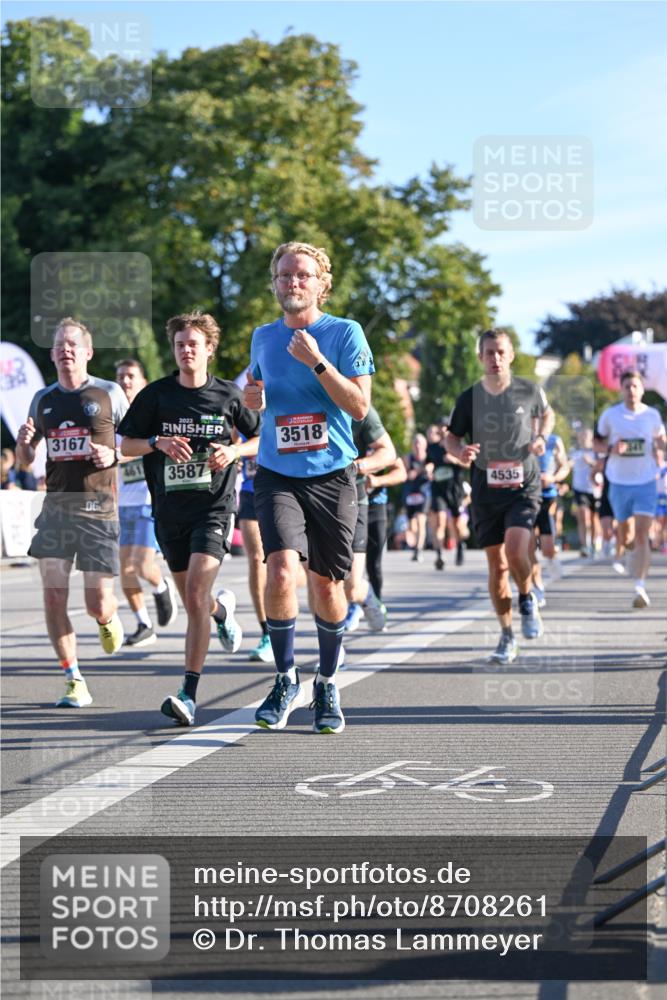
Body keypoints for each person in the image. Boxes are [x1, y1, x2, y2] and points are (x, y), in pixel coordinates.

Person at [244, 241, 374, 735]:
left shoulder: (344, 332)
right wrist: (252, 400)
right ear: (274, 283)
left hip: (332, 474)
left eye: (303, 275)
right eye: (285, 275)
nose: (293, 282)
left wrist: (318, 362)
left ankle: (327, 681)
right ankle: (284, 678)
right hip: (277, 472)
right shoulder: (262, 337)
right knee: (280, 570)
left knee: (325, 584)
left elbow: (359, 407)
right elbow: (260, 398)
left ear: (322, 284)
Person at [119, 311, 260, 725]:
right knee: (195, 601)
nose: (186, 351)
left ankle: (188, 694)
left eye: (193, 344)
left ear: (209, 349)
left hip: (214, 508)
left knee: (196, 591)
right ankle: (221, 612)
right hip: (169, 511)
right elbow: (126, 445)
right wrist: (157, 442)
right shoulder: (156, 396)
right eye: (180, 345)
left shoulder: (228, 395)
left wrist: (233, 451)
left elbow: (261, 438)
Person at [15, 318, 128, 708]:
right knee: (53, 597)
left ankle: (107, 618)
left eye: (73, 344)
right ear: (52, 354)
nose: (66, 350)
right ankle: (73, 678)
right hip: (57, 510)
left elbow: (137, 443)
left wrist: (114, 454)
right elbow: (26, 461)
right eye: (60, 345)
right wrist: (24, 446)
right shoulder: (42, 398)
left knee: (97, 603)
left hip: (99, 510)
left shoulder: (109, 392)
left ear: (88, 352)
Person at [445, 328, 554, 664]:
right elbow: (451, 438)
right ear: (481, 357)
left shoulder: (528, 390)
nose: (496, 358)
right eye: (489, 352)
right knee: (496, 566)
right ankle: (507, 636)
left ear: (511, 355)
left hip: (524, 487)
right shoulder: (469, 398)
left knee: (516, 549)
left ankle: (527, 597)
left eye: (501, 352)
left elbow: (547, 414)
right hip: (485, 491)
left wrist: (541, 438)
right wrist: (460, 452)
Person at [115, 358, 177, 647]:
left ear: (143, 382)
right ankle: (144, 623)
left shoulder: (153, 416)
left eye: (131, 376)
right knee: (125, 571)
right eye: (121, 377)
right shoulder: (112, 420)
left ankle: (161, 586)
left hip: (148, 500)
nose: (125, 381)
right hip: (122, 504)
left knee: (141, 565)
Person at [595, 369, 666, 608]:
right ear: (621, 390)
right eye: (627, 386)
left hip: (645, 482)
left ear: (643, 390)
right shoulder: (610, 415)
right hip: (618, 483)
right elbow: (596, 443)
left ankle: (640, 587)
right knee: (626, 536)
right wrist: (611, 449)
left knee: (643, 534)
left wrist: (660, 447)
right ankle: (627, 551)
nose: (631, 391)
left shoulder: (653, 415)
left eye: (635, 386)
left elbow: (660, 439)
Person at [342, 405, 396, 633]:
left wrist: (357, 467)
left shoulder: (358, 408)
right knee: (320, 580)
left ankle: (368, 596)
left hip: (357, 500)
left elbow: (390, 455)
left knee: (352, 587)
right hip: (314, 499)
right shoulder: (304, 398)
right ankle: (332, 647)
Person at [530, 431, 568, 606]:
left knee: (547, 549)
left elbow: (564, 467)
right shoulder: (519, 436)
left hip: (547, 497)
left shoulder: (554, 440)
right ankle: (538, 588)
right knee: (528, 549)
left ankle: (552, 558)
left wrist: (552, 478)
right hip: (525, 497)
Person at [425, 421, 468, 569]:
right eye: (440, 427)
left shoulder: (458, 446)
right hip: (438, 489)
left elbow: (469, 464)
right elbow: (428, 462)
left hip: (455, 489)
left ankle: (460, 546)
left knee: (456, 524)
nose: (443, 430)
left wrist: (454, 459)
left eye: (445, 427)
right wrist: (429, 468)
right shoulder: (433, 447)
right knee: (440, 522)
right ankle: (439, 554)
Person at [365, 455, 407, 604]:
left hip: (376, 506)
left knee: (374, 564)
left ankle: (377, 605)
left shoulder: (380, 443)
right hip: (348, 506)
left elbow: (401, 473)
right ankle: (351, 606)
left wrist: (378, 481)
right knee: (347, 564)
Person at [569, 427, 598, 557]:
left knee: (593, 519)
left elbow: (602, 466)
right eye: (581, 436)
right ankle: (584, 546)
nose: (583, 438)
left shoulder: (596, 452)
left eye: (586, 436)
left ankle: (593, 544)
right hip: (579, 489)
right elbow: (568, 465)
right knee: (583, 517)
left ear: (591, 438)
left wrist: (591, 462)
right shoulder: (575, 452)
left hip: (595, 490)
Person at [401, 433, 430, 562]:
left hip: (424, 493)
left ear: (425, 445)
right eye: (416, 443)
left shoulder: (429, 458)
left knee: (421, 520)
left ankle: (418, 549)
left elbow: (431, 469)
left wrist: (421, 471)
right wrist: (407, 474)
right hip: (410, 493)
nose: (418, 446)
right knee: (412, 526)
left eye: (420, 443)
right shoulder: (408, 458)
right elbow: (402, 473)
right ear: (413, 445)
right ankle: (415, 545)